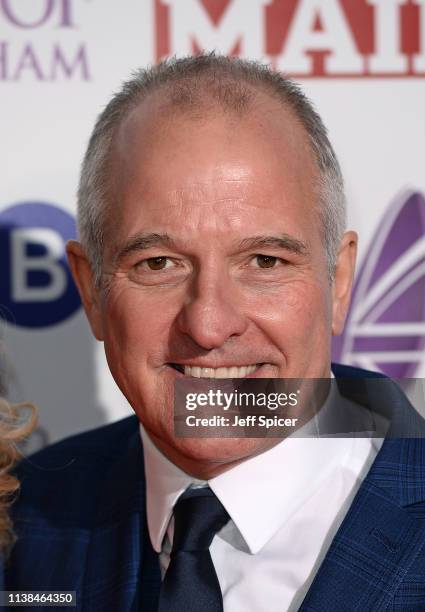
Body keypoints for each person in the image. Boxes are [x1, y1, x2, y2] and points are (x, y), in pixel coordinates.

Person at [5, 54, 425, 611]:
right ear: (91, 291)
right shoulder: (23, 520)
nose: (208, 325)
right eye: (158, 264)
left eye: (265, 261)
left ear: (339, 282)